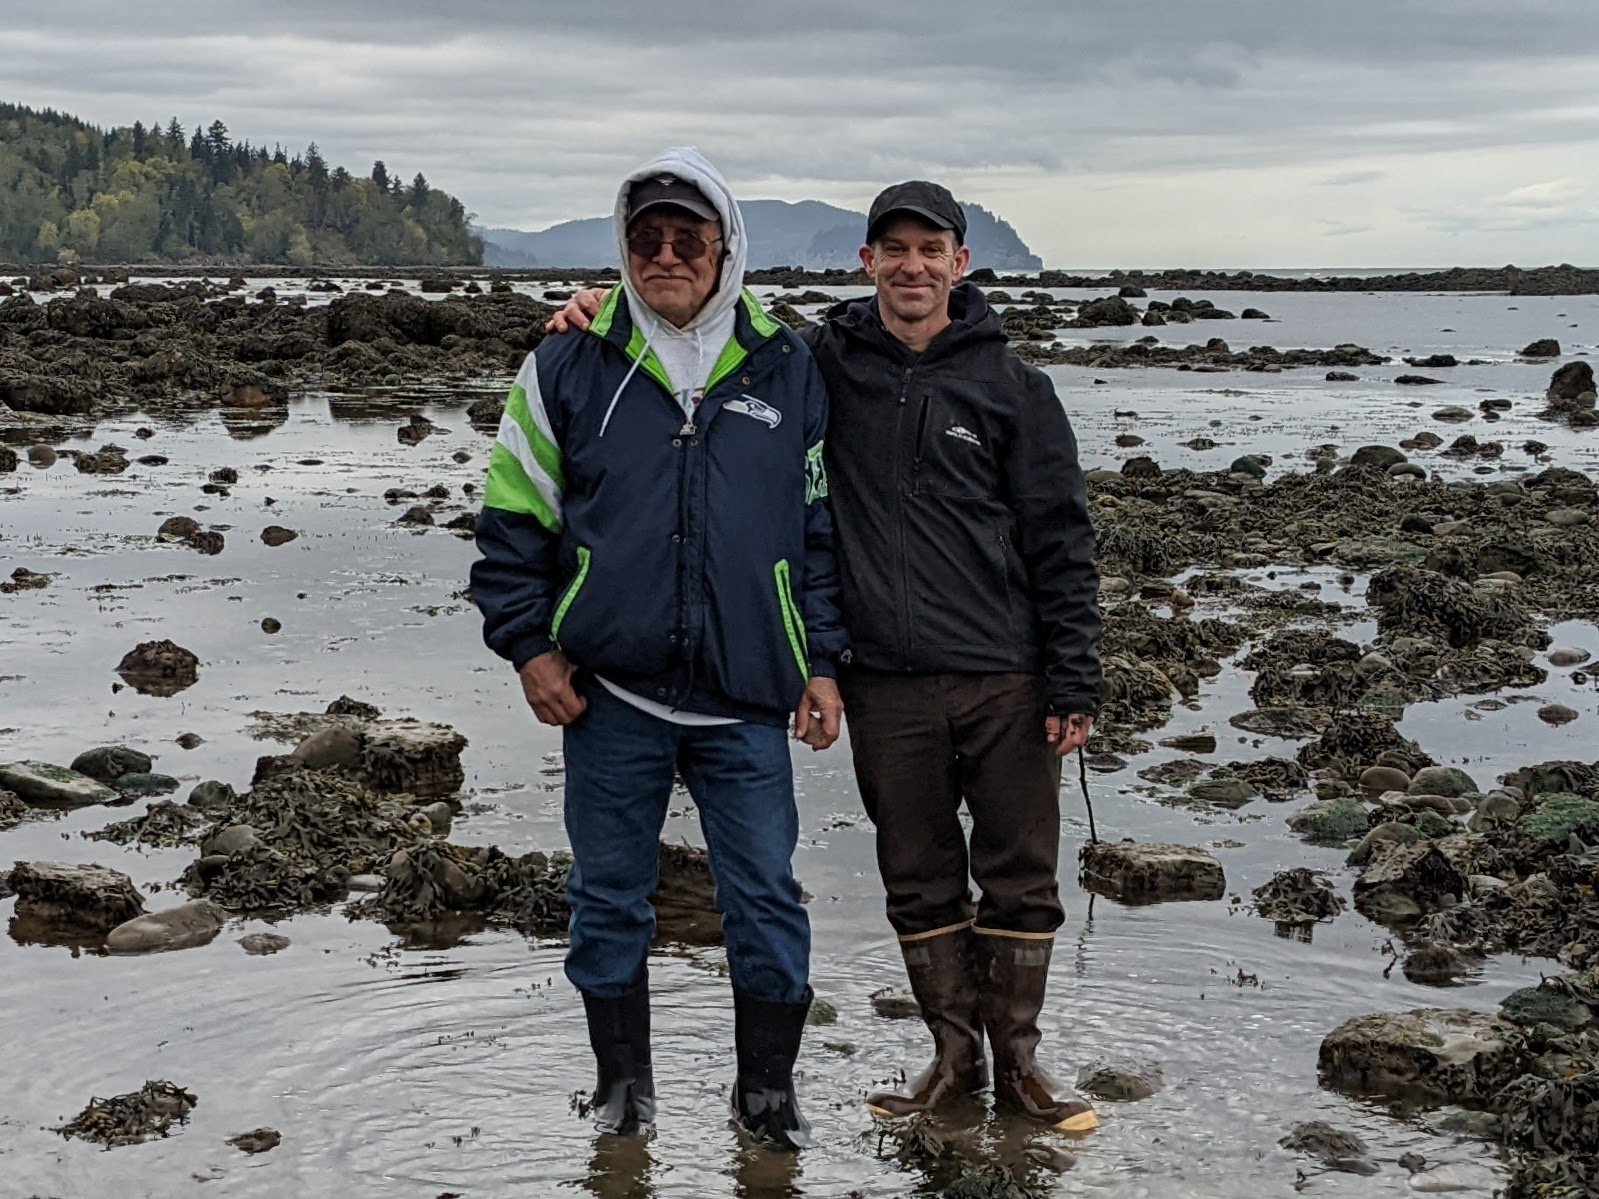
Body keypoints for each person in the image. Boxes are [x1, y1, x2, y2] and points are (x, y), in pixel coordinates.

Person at [548, 180, 1103, 1134]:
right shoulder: (815, 361)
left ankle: (1019, 1067)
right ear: (868, 263)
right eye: (894, 250)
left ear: (960, 265)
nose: (913, 267)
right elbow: (701, 328)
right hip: (883, 678)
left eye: (932, 251)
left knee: (1020, 874)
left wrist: (1073, 674)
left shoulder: (1015, 386)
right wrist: (600, 306)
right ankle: (949, 1061)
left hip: (1005, 671)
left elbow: (1061, 536)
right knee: (918, 874)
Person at [472, 147, 847, 1151]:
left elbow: (818, 529)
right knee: (606, 897)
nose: (667, 253)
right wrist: (527, 646)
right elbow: (513, 517)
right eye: (648, 237)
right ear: (624, 248)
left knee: (767, 893)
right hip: (612, 695)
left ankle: (767, 1092)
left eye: (690, 236)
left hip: (747, 698)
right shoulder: (568, 360)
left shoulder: (788, 363)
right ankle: (622, 1090)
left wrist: (821, 660)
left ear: (727, 249)